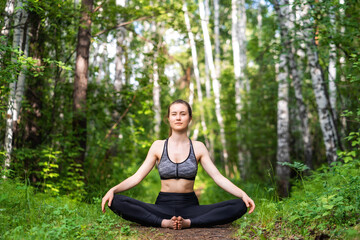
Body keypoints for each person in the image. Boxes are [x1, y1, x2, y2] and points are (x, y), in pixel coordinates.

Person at [101, 99, 255, 229]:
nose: (178, 118)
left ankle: (188, 223)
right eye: (174, 114)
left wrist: (242, 194)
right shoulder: (158, 146)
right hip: (162, 206)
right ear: (168, 118)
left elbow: (218, 177)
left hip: (191, 208)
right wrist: (113, 190)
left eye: (183, 114)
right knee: (116, 200)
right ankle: (163, 223)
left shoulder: (198, 147)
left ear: (190, 118)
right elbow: (137, 177)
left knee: (240, 205)